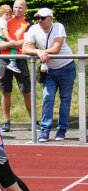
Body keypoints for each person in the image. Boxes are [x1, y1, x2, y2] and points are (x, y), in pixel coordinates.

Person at [22, 8, 76, 142]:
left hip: (67, 67)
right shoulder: (34, 28)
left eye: (43, 18)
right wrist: (38, 52)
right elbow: (24, 48)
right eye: (37, 18)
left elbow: (56, 49)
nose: (39, 20)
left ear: (51, 18)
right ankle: (45, 131)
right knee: (47, 97)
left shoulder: (58, 27)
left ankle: (61, 130)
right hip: (49, 70)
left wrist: (40, 52)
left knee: (65, 99)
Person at [0, 0, 32, 133]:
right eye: (15, 7)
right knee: (5, 91)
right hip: (3, 59)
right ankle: (6, 122)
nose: (17, 10)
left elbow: (28, 41)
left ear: (25, 9)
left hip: (20, 58)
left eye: (20, 7)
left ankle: (33, 120)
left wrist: (7, 45)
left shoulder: (29, 24)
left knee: (26, 90)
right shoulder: (4, 20)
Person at [0, 5, 21, 76]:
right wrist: (10, 41)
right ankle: (12, 63)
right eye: (6, 15)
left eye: (9, 15)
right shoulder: (3, 21)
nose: (8, 17)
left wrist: (12, 16)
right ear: (1, 13)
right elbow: (5, 32)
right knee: (14, 47)